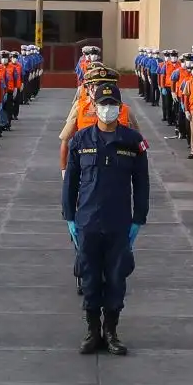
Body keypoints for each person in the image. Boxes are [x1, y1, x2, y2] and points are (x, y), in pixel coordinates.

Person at [63, 80, 150, 355]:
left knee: (116, 277)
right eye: (103, 105)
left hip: (119, 221)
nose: (107, 110)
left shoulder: (133, 142)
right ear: (95, 107)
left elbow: (142, 183)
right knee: (89, 277)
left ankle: (111, 331)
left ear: (120, 108)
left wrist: (139, 218)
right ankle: (92, 331)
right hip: (87, 221)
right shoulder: (81, 140)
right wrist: (69, 217)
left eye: (113, 105)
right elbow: (71, 183)